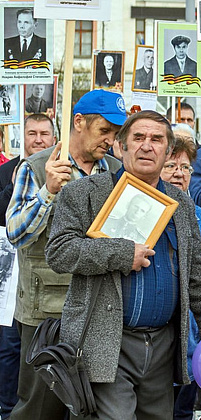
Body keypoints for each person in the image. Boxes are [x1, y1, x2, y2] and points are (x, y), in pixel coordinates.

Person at [45, 110, 201, 419]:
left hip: (162, 345)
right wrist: (120, 253)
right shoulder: (83, 194)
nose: (147, 146)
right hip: (107, 343)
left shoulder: (181, 202)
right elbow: (60, 252)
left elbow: (198, 274)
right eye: (139, 138)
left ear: (167, 151)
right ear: (121, 146)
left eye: (157, 139)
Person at [6, 90, 126, 420]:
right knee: (39, 409)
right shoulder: (38, 166)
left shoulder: (116, 171)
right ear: (78, 122)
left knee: (88, 408)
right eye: (104, 131)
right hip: (48, 311)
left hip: (99, 312)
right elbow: (15, 232)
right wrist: (48, 193)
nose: (110, 140)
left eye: (115, 134)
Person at [157, 135, 201, 420]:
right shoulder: (144, 212)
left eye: (185, 167)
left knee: (184, 413)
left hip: (192, 347)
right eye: (171, 165)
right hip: (156, 344)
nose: (179, 173)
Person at [0, 114, 55, 420]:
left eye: (44, 133)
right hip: (9, 275)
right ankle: (7, 409)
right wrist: (12, 191)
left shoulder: (64, 172)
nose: (38, 139)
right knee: (10, 348)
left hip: (43, 283)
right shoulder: (9, 171)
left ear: (53, 137)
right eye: (32, 133)